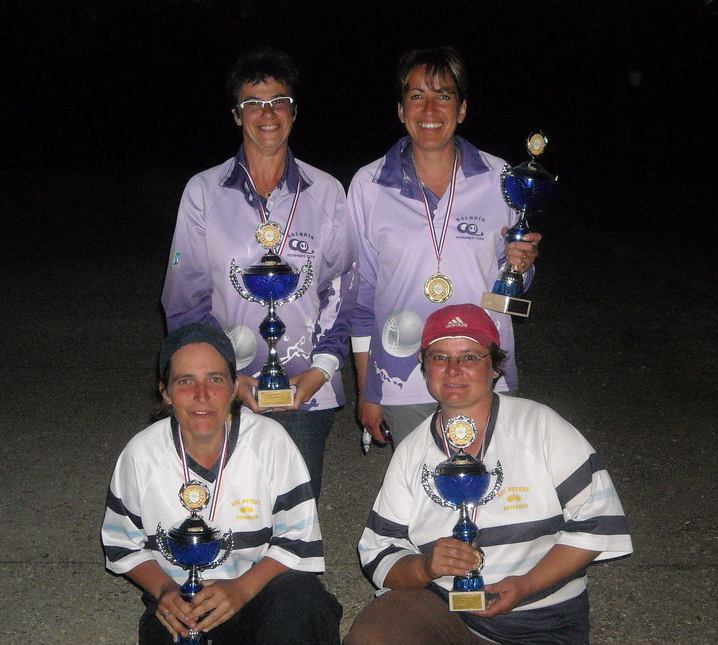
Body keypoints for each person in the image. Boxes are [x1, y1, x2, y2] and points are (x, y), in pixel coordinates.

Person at [345, 304, 632, 644]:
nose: (453, 369)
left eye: (469, 357)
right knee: (373, 639)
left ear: (495, 367)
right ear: (424, 367)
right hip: (446, 609)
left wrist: (527, 584)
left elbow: (599, 522)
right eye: (439, 357)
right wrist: (425, 567)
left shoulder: (541, 426)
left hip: (540, 620)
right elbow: (379, 551)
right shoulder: (412, 450)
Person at [161, 48, 356, 500]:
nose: (266, 114)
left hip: (307, 389)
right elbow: (183, 300)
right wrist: (224, 377)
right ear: (236, 115)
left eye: (278, 101)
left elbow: (343, 291)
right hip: (226, 388)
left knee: (296, 512)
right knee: (230, 509)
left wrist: (321, 370)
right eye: (253, 103)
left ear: (294, 111)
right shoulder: (203, 191)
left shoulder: (326, 191)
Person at [348, 46, 543, 447]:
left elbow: (510, 285)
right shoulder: (368, 185)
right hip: (401, 377)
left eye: (444, 95)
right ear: (401, 110)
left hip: (482, 370)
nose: (430, 109)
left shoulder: (500, 179)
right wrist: (370, 389)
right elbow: (361, 299)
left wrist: (522, 269)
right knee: (420, 499)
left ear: (463, 108)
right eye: (417, 95)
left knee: (487, 495)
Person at [102, 323, 342, 644]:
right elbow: (123, 544)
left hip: (261, 591)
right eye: (185, 381)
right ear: (166, 392)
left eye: (215, 379)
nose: (202, 395)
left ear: (233, 388)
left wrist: (241, 589)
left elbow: (297, 540)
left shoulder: (270, 442)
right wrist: (165, 589)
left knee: (302, 603)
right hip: (182, 603)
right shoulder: (141, 454)